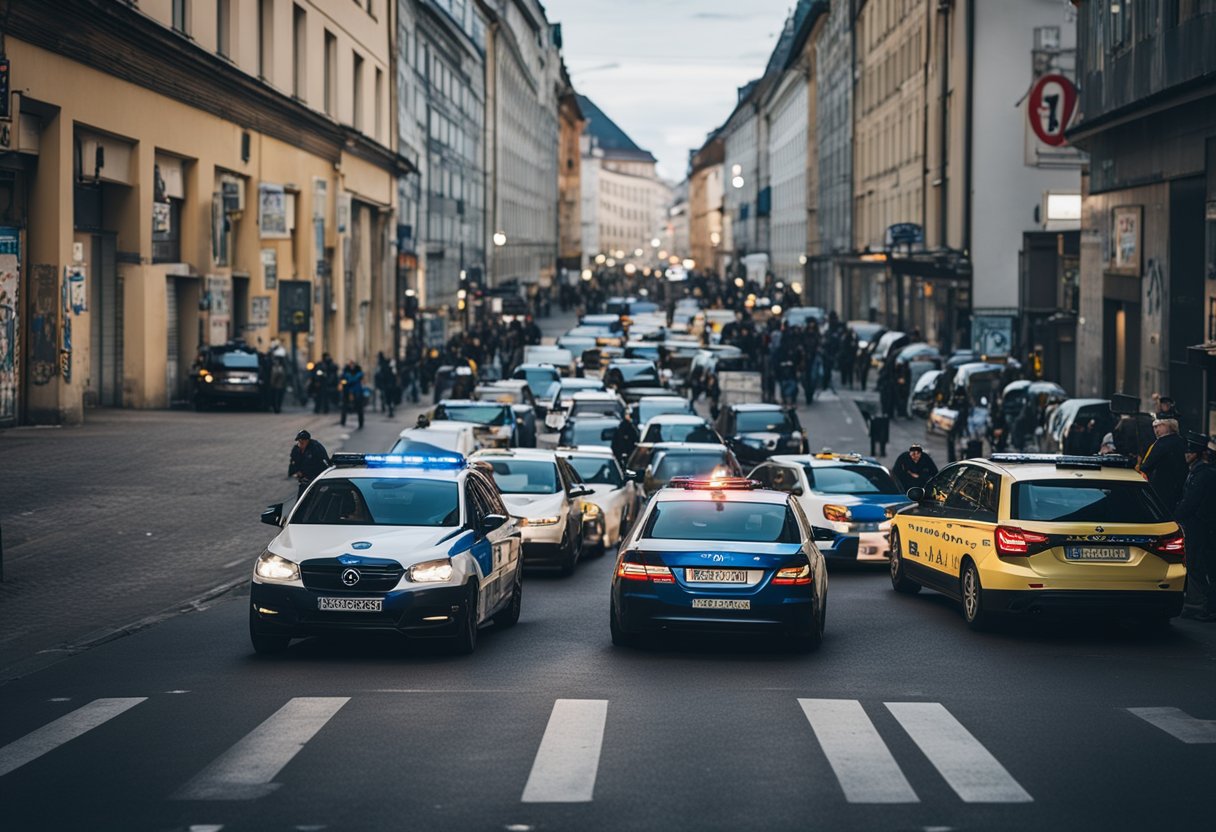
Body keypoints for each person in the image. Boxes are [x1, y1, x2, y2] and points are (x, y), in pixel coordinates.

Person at [1177, 435, 1216, 620]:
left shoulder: (1202, 474)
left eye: (1190, 451)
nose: (1186, 454)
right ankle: (1198, 604)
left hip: (1200, 526)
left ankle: (1203, 605)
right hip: (1200, 525)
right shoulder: (1198, 471)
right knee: (1197, 564)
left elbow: (1191, 502)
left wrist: (1175, 515)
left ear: (1198, 454)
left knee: (1199, 564)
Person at [1140, 417, 1187, 513]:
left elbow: (1146, 466)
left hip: (1161, 487)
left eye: (1158, 426)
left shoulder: (1161, 443)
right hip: (1180, 487)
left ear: (1168, 426)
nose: (1155, 430)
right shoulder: (1182, 441)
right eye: (1154, 427)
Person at [288, 430, 331, 498]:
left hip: (316, 478)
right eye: (299, 441)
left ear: (307, 441)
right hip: (304, 479)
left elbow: (320, 465)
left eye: (302, 442)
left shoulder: (316, 448)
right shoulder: (297, 449)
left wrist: (304, 473)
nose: (300, 444)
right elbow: (293, 462)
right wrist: (294, 472)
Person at [339, 360, 366, 429]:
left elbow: (361, 381)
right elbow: (342, 380)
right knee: (344, 407)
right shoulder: (346, 372)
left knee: (359, 408)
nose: (351, 365)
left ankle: (361, 423)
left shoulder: (358, 372)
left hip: (357, 391)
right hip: (347, 391)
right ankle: (343, 421)